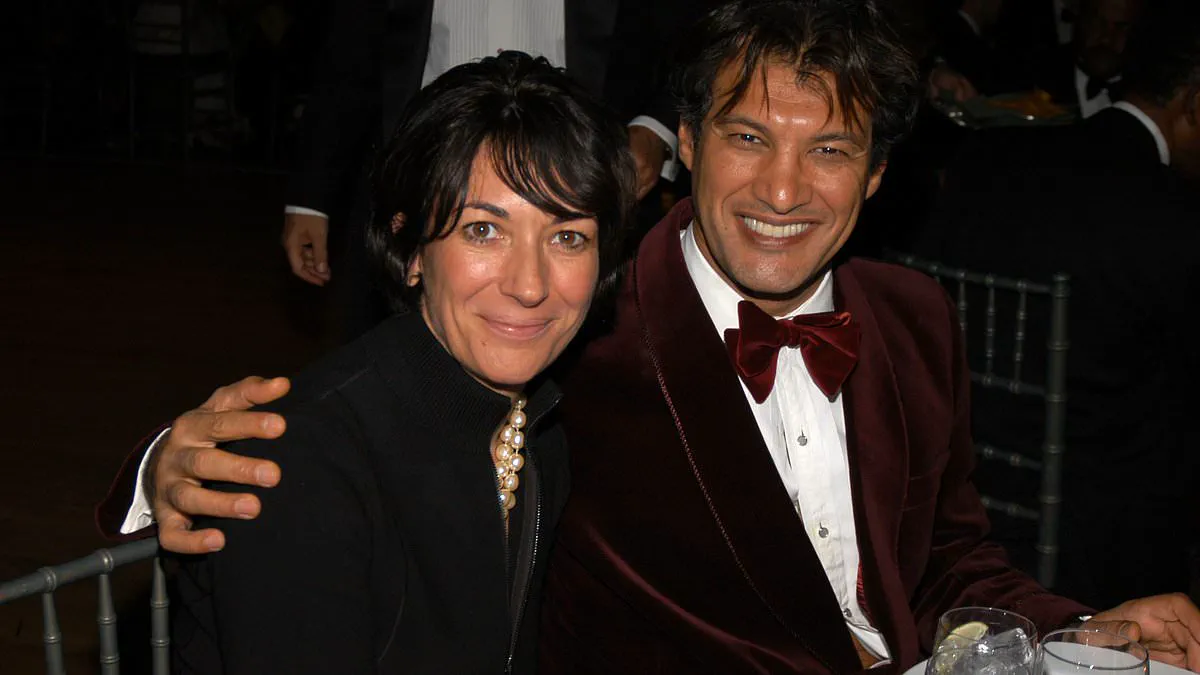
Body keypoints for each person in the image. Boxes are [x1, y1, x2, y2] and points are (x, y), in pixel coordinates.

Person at [97, 1, 1200, 673]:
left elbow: (952, 557)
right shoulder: (582, 333)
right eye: (748, 137)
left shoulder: (915, 318)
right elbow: (391, 414)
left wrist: (1089, 627)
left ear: (875, 176)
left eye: (828, 151)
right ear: (684, 144)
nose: (782, 190)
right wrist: (164, 468)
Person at [161, 50, 636, 674]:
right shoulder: (300, 466)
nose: (529, 285)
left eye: (567, 237)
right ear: (411, 249)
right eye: (483, 230)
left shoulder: (543, 428)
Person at [915, 0, 1200, 609]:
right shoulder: (1172, 216)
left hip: (960, 470)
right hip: (1089, 526)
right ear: (1194, 104)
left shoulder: (990, 158)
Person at [284, 0, 700, 338]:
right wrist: (311, 199)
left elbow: (692, 35)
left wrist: (655, 126)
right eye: (484, 230)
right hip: (424, 180)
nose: (527, 289)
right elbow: (349, 58)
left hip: (587, 178)